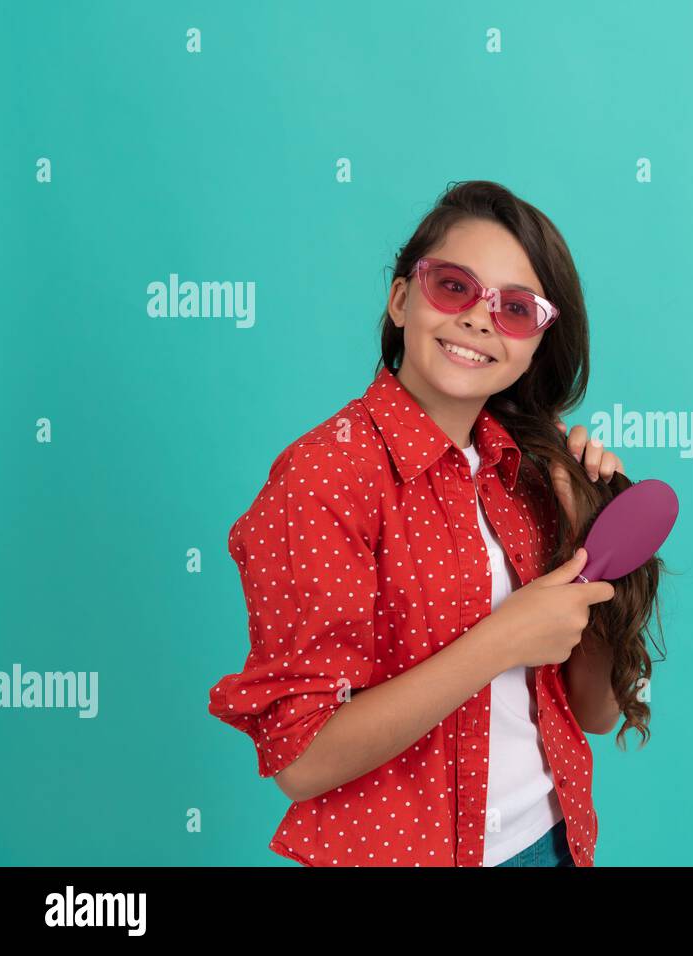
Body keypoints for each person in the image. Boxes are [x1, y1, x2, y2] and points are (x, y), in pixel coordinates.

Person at [208, 180, 665, 866]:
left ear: (538, 343)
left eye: (516, 308)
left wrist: (592, 536)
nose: (481, 319)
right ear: (401, 300)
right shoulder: (322, 481)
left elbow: (595, 714)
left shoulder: (529, 474)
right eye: (454, 287)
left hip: (551, 842)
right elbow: (299, 760)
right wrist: (503, 639)